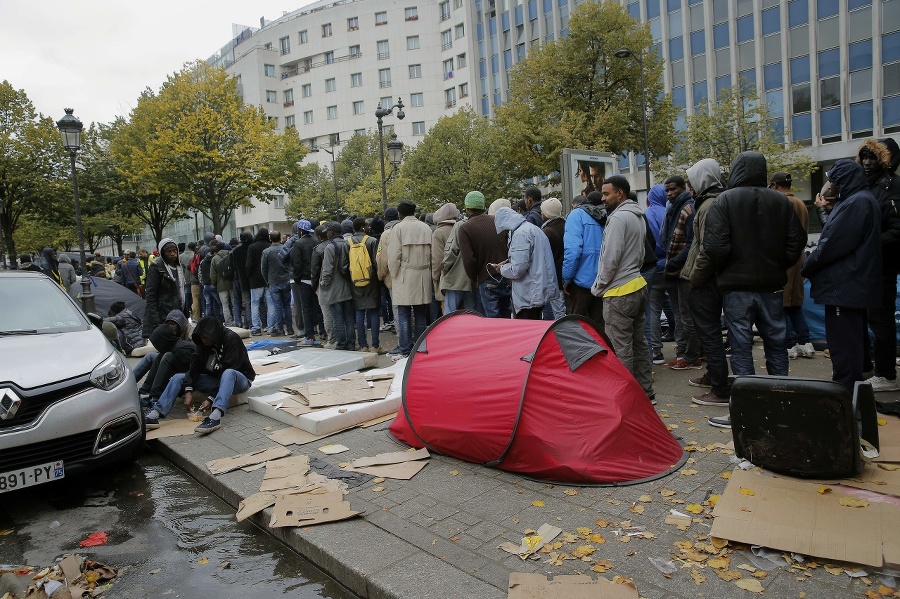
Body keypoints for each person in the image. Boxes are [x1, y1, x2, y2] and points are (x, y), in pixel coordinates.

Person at [702, 151, 806, 428]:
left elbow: (714, 246)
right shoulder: (781, 202)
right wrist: (777, 265)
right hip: (771, 284)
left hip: (736, 286)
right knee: (776, 343)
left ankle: (747, 408)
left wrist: (727, 267)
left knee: (741, 346)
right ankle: (781, 402)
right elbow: (796, 243)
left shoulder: (725, 200)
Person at [802, 159, 882, 390]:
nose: (829, 184)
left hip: (844, 286)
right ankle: (851, 391)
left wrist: (807, 267)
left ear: (842, 180)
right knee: (851, 341)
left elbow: (832, 244)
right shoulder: (858, 200)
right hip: (849, 285)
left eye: (832, 179)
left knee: (844, 344)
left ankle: (845, 393)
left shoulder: (856, 203)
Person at [590, 175, 655, 403]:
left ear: (620, 193)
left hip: (619, 292)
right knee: (639, 344)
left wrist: (598, 287)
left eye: (607, 193)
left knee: (621, 349)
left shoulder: (618, 219)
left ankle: (625, 399)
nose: (602, 198)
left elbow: (610, 259)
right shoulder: (637, 216)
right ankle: (645, 392)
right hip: (637, 285)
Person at [144, 315, 255, 435]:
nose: (204, 340)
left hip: (239, 379)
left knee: (228, 373)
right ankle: (155, 414)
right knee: (178, 377)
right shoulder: (203, 343)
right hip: (215, 379)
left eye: (206, 337)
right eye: (201, 337)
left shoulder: (231, 339)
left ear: (214, 334)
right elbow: (194, 367)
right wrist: (188, 390)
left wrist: (210, 399)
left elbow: (229, 368)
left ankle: (215, 417)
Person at [683, 159, 731, 406]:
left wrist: (695, 278)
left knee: (709, 334)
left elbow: (707, 249)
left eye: (692, 179)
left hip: (705, 282)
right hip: (706, 280)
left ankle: (720, 388)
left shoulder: (709, 206)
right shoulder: (708, 202)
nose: (689, 185)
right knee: (707, 333)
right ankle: (715, 376)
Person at [857, 139, 900, 391]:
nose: (866, 162)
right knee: (864, 317)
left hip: (882, 266)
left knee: (880, 319)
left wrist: (868, 245)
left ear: (885, 159)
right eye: (863, 156)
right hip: (866, 266)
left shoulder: (892, 186)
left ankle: (886, 374)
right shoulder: (867, 185)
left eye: (872, 157)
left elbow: (896, 230)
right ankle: (868, 366)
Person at [768, 171, 814, 360]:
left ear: (775, 185)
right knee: (795, 303)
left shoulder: (782, 203)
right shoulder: (801, 203)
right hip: (799, 258)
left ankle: (789, 345)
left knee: (782, 304)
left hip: (784, 259)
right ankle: (805, 342)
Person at [658, 176, 701, 370]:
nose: (669, 194)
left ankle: (691, 356)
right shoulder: (673, 209)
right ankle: (685, 351)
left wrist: (674, 262)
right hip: (674, 269)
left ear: (683, 188)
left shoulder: (688, 209)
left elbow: (692, 242)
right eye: (666, 191)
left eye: (673, 189)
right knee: (680, 313)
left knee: (686, 315)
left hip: (683, 270)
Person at [491, 207, 560, 319]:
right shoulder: (533, 229)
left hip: (528, 294)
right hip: (538, 289)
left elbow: (518, 269)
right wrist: (511, 261)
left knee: (527, 329)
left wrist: (502, 269)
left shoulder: (520, 234)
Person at [388, 200, 434, 358]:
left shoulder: (398, 228)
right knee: (420, 314)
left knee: (404, 314)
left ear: (400, 213)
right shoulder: (426, 227)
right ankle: (420, 347)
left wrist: (394, 275)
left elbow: (393, 257)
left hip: (404, 275)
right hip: (423, 275)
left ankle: (405, 349)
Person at [458, 191, 512, 318]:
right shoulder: (497, 221)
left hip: (486, 277)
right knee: (507, 320)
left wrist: (476, 278)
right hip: (506, 274)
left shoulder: (465, 228)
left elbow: (468, 260)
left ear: (467, 208)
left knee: (491, 321)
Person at [131, 310, 195, 409]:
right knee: (150, 356)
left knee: (166, 355)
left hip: (184, 364)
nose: (171, 327)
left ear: (180, 324)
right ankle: (133, 386)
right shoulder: (169, 334)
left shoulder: (190, 335)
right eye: (169, 324)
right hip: (173, 359)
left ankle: (155, 397)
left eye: (173, 324)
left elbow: (191, 359)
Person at [561, 190, 607, 324]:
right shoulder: (606, 216)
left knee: (577, 327)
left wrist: (567, 278)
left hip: (580, 281)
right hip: (602, 279)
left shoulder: (576, 215)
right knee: (598, 326)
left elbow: (573, 251)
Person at [348, 217, 384, 352]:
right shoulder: (372, 241)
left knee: (359, 312)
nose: (370, 228)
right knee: (374, 311)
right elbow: (377, 262)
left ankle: (363, 345)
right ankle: (375, 345)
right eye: (368, 226)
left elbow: (344, 265)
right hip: (372, 281)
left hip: (355, 281)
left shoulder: (348, 242)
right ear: (363, 227)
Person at [319, 222, 355, 350]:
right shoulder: (349, 244)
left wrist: (323, 284)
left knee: (337, 318)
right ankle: (351, 343)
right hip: (348, 287)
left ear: (332, 232)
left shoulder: (330, 247)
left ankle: (342, 343)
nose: (326, 234)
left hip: (334, 288)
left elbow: (327, 270)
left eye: (328, 231)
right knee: (349, 318)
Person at [143, 238, 187, 341]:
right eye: (169, 251)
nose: (172, 254)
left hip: (178, 311)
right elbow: (150, 295)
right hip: (163, 314)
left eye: (174, 251)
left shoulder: (180, 267)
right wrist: (155, 319)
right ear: (162, 253)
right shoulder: (156, 268)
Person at [290, 219, 325, 345]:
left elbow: (297, 264)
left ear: (300, 231)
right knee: (319, 307)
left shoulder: (298, 244)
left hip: (304, 280)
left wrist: (297, 277)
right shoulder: (316, 241)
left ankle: (309, 336)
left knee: (306, 308)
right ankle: (323, 331)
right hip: (316, 279)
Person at [261, 231, 294, 336]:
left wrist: (267, 280)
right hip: (286, 279)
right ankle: (290, 328)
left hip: (273, 281)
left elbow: (263, 268)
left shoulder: (266, 252)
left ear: (270, 239)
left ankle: (280, 329)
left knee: (277, 306)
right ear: (280, 238)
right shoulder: (285, 249)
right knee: (287, 305)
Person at [540, 198, 566, 319]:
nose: (541, 214)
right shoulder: (568, 225)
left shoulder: (546, 232)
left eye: (543, 211)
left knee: (557, 314)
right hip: (568, 277)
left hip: (553, 278)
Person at [431, 203, 458, 314]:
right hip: (465, 280)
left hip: (447, 279)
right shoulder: (462, 227)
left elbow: (437, 259)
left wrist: (435, 276)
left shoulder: (439, 232)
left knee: (448, 315)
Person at [376, 207, 400, 333]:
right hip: (411, 276)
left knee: (398, 310)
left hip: (392, 277)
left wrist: (381, 275)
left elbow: (381, 259)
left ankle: (403, 343)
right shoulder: (405, 229)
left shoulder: (385, 234)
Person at [246, 228, 271, 335]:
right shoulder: (269, 246)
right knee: (270, 304)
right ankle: (271, 326)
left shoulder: (252, 247)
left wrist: (249, 276)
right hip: (268, 279)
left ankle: (256, 327)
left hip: (255, 281)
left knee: (255, 304)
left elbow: (249, 265)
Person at [231, 232, 253, 328]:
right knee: (248, 301)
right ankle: (248, 322)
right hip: (249, 278)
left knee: (236, 301)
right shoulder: (251, 249)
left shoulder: (235, 251)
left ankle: (238, 322)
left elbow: (234, 265)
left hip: (238, 277)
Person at [211, 241, 235, 327]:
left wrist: (214, 283)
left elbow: (213, 275)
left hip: (221, 285)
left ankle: (228, 322)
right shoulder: (231, 254)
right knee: (234, 302)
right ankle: (237, 320)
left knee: (225, 305)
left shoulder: (214, 258)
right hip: (232, 283)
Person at [199, 242, 224, 322]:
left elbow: (199, 273)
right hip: (213, 284)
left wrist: (202, 282)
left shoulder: (202, 261)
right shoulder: (214, 260)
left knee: (208, 304)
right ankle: (220, 319)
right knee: (219, 303)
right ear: (215, 253)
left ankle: (208, 320)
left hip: (205, 285)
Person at [180, 242, 196, 319]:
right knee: (194, 298)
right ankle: (193, 313)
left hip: (184, 279)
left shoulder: (180, 257)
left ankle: (186, 313)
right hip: (194, 280)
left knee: (186, 296)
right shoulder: (194, 256)